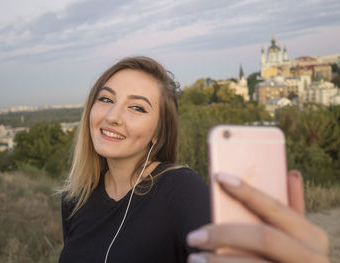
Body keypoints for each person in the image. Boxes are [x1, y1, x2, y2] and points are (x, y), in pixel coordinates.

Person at [59, 56, 329, 263]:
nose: (112, 116)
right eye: (106, 98)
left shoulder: (180, 189)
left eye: (137, 107)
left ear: (158, 133)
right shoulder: (75, 197)